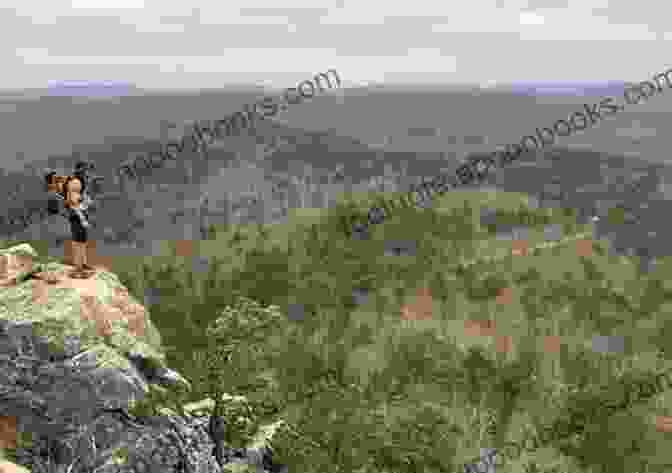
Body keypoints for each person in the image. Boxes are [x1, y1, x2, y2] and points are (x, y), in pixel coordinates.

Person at [60, 175, 96, 278]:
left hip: (79, 221)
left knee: (81, 242)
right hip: (77, 221)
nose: (78, 185)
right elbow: (77, 209)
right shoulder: (71, 196)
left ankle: (82, 264)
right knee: (78, 243)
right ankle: (78, 267)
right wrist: (83, 219)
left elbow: (86, 204)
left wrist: (86, 201)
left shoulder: (76, 194)